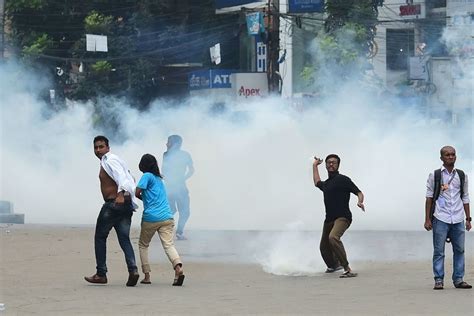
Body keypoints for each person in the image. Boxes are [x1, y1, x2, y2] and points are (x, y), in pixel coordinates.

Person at [85, 135, 140, 286]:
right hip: (124, 206)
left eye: (101, 146)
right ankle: (133, 270)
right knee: (124, 239)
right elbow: (131, 178)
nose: (98, 150)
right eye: (96, 147)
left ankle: (101, 274)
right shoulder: (112, 160)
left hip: (114, 204)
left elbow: (122, 177)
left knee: (100, 237)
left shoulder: (110, 160)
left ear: (108, 147)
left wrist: (121, 193)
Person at [424, 145, 471, 290]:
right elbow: (429, 198)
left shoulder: (461, 175)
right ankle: (439, 279)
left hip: (457, 218)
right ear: (441, 158)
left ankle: (458, 279)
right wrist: (427, 219)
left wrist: (468, 218)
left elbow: (465, 197)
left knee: (460, 250)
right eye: (447, 155)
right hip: (440, 218)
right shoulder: (435, 175)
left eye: (453, 154)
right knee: (439, 251)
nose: (450, 157)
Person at [135, 154, 185, 286]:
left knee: (143, 245)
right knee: (168, 245)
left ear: (143, 165)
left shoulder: (147, 176)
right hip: (167, 216)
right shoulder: (159, 179)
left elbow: (137, 192)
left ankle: (147, 276)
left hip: (151, 217)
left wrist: (144, 199)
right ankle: (178, 267)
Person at [312, 154, 365, 278]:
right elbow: (316, 182)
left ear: (338, 165)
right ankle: (334, 265)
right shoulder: (327, 184)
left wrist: (360, 201)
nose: (331, 164)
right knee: (324, 247)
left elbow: (359, 192)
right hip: (329, 219)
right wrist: (314, 165)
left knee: (333, 238)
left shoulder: (343, 179)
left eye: (334, 162)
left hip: (343, 217)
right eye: (329, 162)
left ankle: (347, 269)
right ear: (325, 165)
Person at [162, 135, 194, 240]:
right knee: (177, 210)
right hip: (174, 186)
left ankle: (174, 231)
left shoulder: (183, 155)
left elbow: (191, 170)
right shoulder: (167, 155)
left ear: (176, 144)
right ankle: (172, 231)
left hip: (178, 186)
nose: (167, 144)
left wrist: (183, 178)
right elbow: (164, 170)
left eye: (169, 142)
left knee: (180, 210)